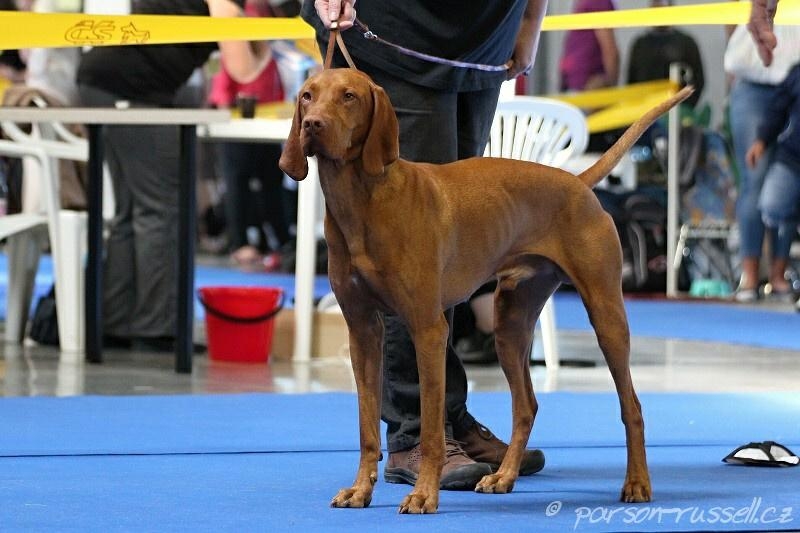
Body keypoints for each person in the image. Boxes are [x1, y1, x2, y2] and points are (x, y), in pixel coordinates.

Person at [302, 0, 548, 490]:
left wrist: (528, 22)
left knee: (442, 254)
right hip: (398, 36)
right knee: (399, 252)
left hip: (480, 52)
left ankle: (448, 419)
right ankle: (414, 436)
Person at [77, 0, 272, 351]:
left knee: (130, 211)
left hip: (102, 79)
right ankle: (157, 329)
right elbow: (243, 70)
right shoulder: (224, 3)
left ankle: (115, 322)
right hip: (133, 90)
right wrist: (267, 38)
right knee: (160, 208)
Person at [208, 0, 293, 271]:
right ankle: (241, 243)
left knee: (271, 182)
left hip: (267, 123)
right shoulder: (241, 18)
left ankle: (281, 240)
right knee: (238, 185)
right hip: (238, 123)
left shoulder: (266, 25)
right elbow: (226, 79)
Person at [725, 17, 800, 302]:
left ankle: (778, 276)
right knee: (754, 180)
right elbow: (731, 16)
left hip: (795, 79)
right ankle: (750, 277)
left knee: (791, 179)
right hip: (754, 81)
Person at [744, 61, 800, 303]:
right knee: (771, 206)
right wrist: (761, 140)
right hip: (792, 158)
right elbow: (777, 109)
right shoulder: (797, 72)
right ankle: (776, 275)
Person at [627, 0, 704, 108]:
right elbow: (631, 82)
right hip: (645, 109)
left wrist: (686, 108)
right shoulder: (640, 45)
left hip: (678, 108)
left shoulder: (686, 43)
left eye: (662, 9)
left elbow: (698, 80)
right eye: (655, 9)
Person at [559, 0, 619, 93]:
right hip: (587, 82)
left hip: (576, 80)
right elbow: (609, 50)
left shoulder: (589, 3)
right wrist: (611, 82)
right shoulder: (598, 2)